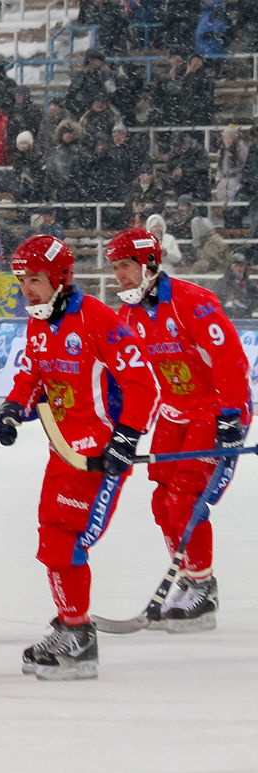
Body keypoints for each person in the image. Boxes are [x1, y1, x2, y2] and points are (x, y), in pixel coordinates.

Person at [0, 235, 158, 681]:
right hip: (63, 449)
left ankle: (79, 637)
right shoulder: (38, 322)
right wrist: (13, 407)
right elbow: (32, 375)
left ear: (60, 277)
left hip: (98, 454)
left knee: (66, 539)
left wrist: (126, 437)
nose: (26, 289)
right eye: (22, 280)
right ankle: (71, 624)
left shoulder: (96, 319)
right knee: (51, 537)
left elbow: (143, 383)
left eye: (35, 279)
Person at [107, 227, 251, 630]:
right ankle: (188, 577)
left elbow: (229, 359)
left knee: (185, 499)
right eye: (115, 267)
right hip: (175, 410)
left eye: (126, 265)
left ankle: (203, 588)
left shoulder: (192, 301)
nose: (120, 275)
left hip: (215, 408)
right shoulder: (128, 315)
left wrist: (230, 416)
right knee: (162, 500)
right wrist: (122, 429)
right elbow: (127, 378)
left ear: (150, 263)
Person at [213, 253, 254, 317]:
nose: (238, 268)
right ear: (231, 267)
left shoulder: (249, 284)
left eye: (241, 266)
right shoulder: (220, 282)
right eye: (236, 266)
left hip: (245, 317)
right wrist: (225, 300)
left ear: (245, 268)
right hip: (225, 317)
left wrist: (245, 301)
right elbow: (215, 299)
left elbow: (254, 299)